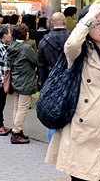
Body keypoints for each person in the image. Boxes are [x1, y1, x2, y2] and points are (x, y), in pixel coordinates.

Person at [46, 1, 100, 180]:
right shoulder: (79, 53)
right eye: (96, 24)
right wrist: (89, 17)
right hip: (81, 133)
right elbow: (70, 45)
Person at [36, 12, 71, 142]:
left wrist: (44, 84)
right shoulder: (72, 38)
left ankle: (53, 144)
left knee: (52, 112)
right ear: (64, 22)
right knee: (69, 111)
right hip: (70, 81)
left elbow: (41, 65)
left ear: (51, 23)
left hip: (51, 82)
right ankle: (67, 143)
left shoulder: (44, 41)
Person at [6, 24, 37, 144]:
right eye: (27, 32)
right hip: (25, 81)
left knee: (17, 107)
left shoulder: (11, 46)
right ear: (24, 34)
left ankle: (16, 129)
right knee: (23, 108)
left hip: (15, 79)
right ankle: (16, 132)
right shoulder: (26, 48)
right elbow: (36, 61)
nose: (28, 34)